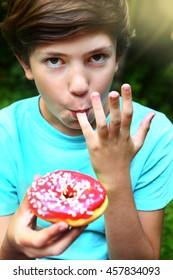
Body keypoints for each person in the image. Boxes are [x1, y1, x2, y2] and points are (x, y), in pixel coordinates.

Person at [0, 0, 173, 260]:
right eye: (55, 60)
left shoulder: (152, 134)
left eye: (97, 57)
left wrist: (115, 178)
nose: (79, 85)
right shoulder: (6, 135)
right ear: (25, 64)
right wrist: (14, 245)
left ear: (118, 57)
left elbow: (141, 271)